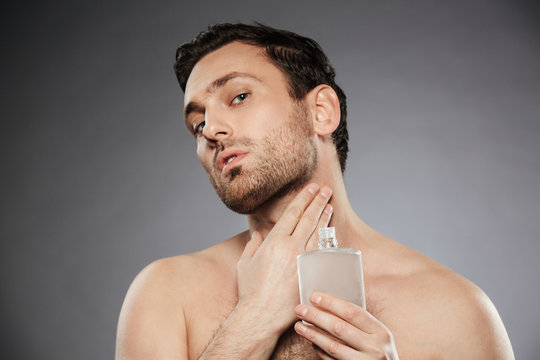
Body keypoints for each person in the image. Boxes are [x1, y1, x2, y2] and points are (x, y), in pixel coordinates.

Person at [115, 23, 514, 359]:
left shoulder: (456, 311)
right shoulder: (166, 294)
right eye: (198, 124)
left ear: (321, 111)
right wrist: (252, 320)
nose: (212, 131)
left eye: (238, 97)